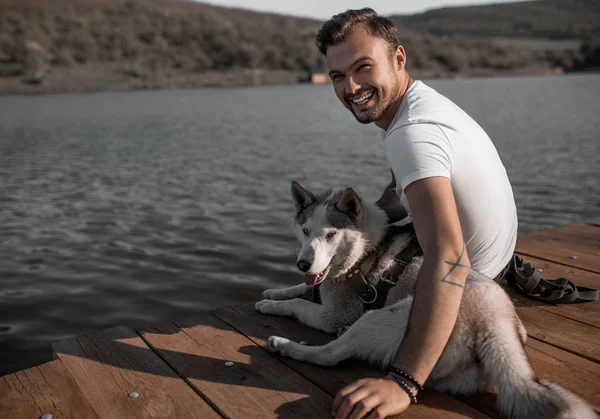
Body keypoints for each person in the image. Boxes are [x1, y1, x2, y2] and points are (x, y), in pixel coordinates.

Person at [315, 8, 518, 419]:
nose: (351, 87)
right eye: (338, 76)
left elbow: (449, 258)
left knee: (336, 311)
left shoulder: (412, 133)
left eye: (362, 68)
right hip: (493, 264)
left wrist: (404, 382)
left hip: (471, 290)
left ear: (399, 58)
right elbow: (396, 192)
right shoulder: (418, 104)